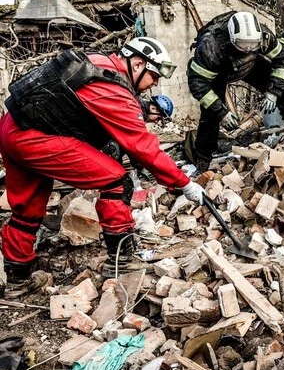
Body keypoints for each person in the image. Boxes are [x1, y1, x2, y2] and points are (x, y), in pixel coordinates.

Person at [0, 37, 208, 294]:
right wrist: (184, 183)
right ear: (138, 63)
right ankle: (120, 260)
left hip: (14, 128)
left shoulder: (95, 64)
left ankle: (17, 280)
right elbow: (143, 147)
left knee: (27, 208)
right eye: (153, 75)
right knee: (115, 181)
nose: (155, 82)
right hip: (37, 137)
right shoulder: (111, 86)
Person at [186, 10, 284, 173]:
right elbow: (197, 82)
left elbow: (282, 61)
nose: (248, 49)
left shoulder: (264, 35)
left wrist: (273, 92)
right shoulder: (210, 44)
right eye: (243, 45)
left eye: (252, 45)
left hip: (251, 65)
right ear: (231, 38)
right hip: (220, 71)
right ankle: (203, 159)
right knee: (209, 114)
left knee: (283, 88)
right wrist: (221, 112)